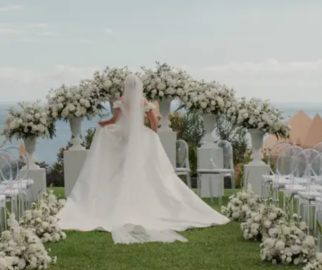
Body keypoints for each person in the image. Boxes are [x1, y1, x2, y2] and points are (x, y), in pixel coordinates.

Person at [59, 74, 229, 244]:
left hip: (124, 139)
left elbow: (114, 120)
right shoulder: (143, 102)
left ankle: (118, 204)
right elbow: (153, 122)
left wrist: (103, 124)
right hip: (139, 139)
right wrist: (152, 136)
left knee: (121, 170)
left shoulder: (121, 101)